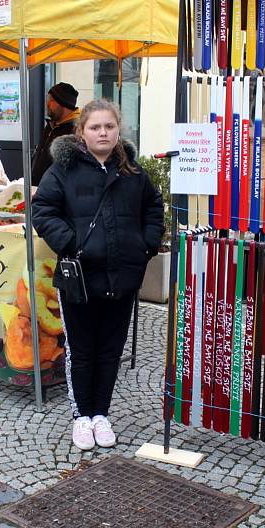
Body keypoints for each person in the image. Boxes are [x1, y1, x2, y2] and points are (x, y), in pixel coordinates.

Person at [32, 100, 164, 450]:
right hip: (80, 277)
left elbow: (154, 207)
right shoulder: (63, 169)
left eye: (108, 126)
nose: (102, 132)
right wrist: (70, 243)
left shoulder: (132, 171)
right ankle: (82, 417)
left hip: (122, 275)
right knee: (82, 350)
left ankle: (101, 414)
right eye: (95, 127)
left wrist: (146, 245)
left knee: (110, 349)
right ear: (82, 132)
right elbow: (43, 210)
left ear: (118, 129)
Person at [30, 82, 80, 186]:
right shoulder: (51, 125)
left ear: (63, 103)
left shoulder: (75, 131)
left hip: (54, 195)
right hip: (37, 189)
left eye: (51, 100)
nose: (47, 104)